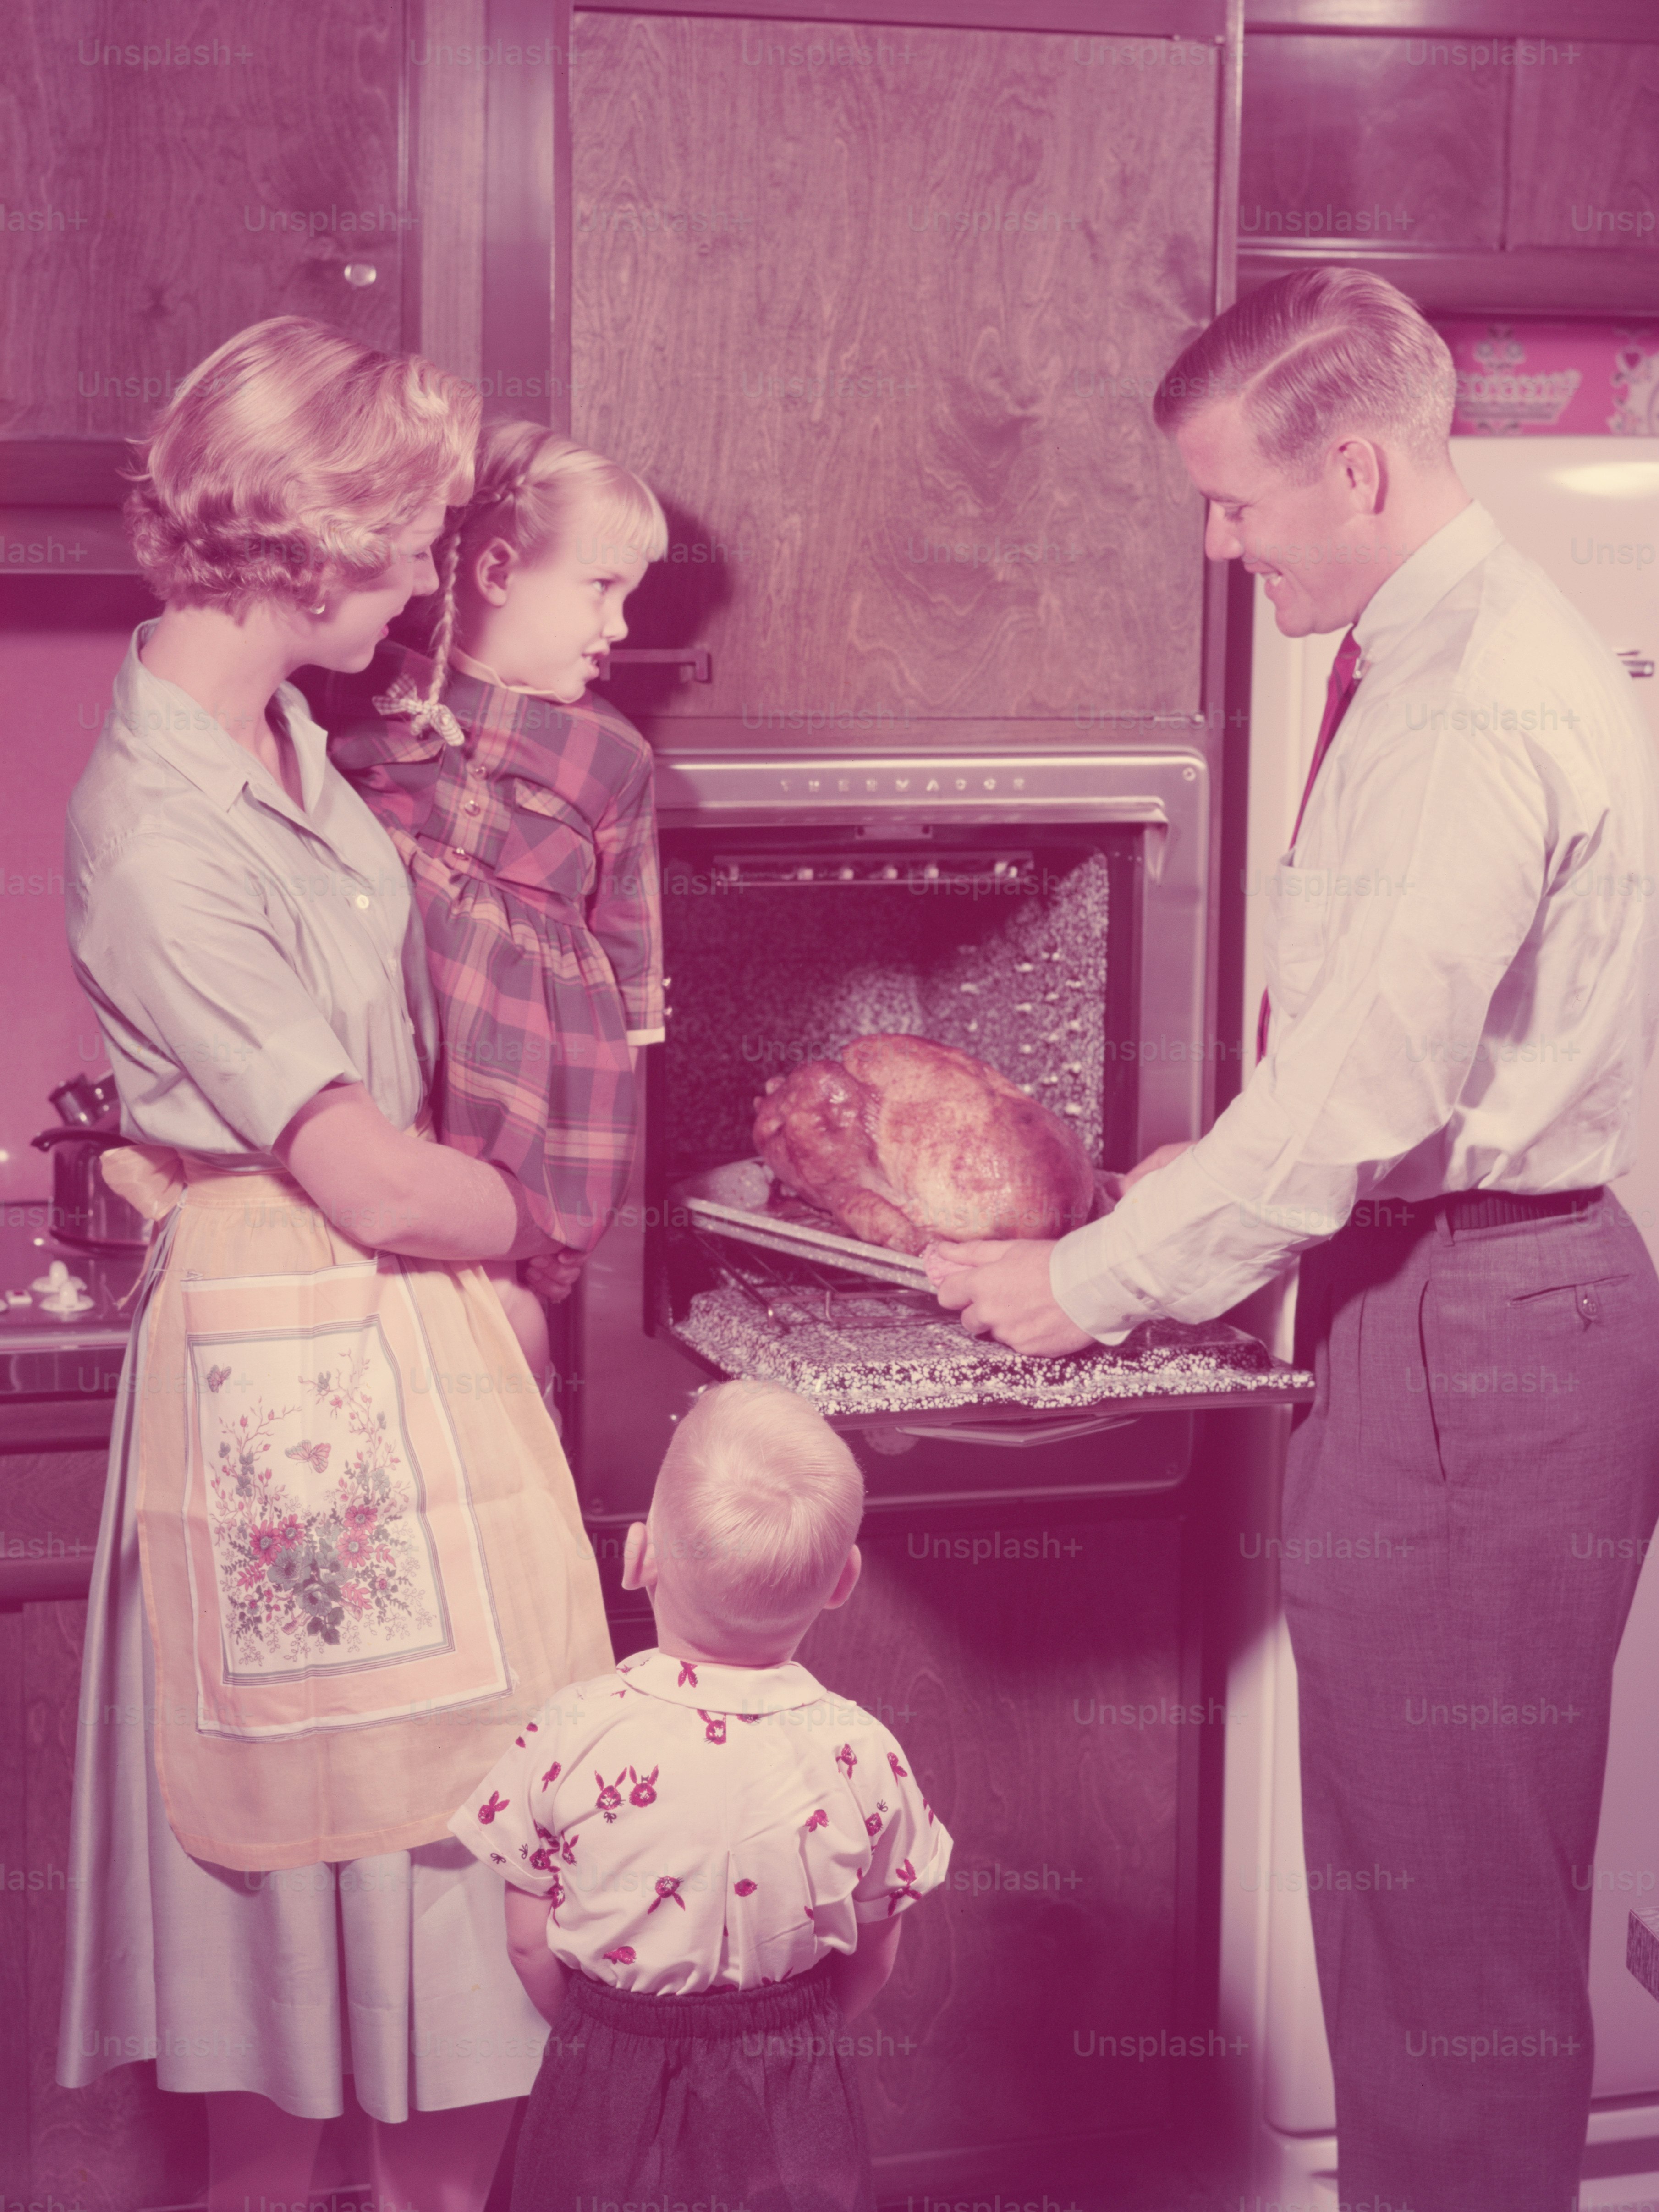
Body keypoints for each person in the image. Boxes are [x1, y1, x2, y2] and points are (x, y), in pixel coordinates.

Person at [928, 268, 1659, 2211]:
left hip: (1475, 1324)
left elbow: (1349, 1104)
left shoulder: (1468, 707)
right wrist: (1179, 1197)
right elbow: (1354, 1074)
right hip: (1445, 1297)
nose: (1215, 539)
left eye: (1236, 501)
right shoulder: (1447, 651)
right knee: (1408, 1892)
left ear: (1352, 463)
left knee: (1450, 1933)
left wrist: (1075, 1282)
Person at [55, 317, 614, 2212]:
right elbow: (373, 1183)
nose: (415, 580)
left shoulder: (284, 732)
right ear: (300, 535)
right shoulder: (152, 824)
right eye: (399, 543)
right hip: (292, 1381)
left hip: (393, 1371)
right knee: (292, 2000)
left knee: (461, 1979)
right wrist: (531, 1226)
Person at [450, 1378, 953, 2210]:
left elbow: (529, 1944)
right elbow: (876, 1953)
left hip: (603, 2067)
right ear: (842, 1580)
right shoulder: (863, 1750)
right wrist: (798, 2038)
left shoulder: (569, 1730)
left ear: (638, 1554)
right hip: (791, 2075)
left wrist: (593, 2037)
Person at [307, 422, 668, 1394]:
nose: (621, 628)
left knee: (501, 1306)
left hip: (528, 1048)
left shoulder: (617, 755)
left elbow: (631, 951)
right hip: (390, 1026)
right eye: (602, 588)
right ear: (499, 570)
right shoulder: (361, 686)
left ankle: (518, 1478)